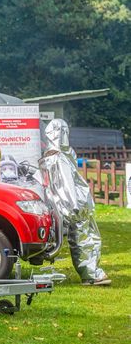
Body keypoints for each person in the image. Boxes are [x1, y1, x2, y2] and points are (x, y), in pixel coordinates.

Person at [39, 119, 111, 286]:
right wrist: (74, 206)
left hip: (72, 205)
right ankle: (91, 274)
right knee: (84, 239)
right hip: (75, 206)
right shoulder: (59, 157)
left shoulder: (54, 155)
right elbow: (67, 183)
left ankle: (92, 272)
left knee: (85, 238)